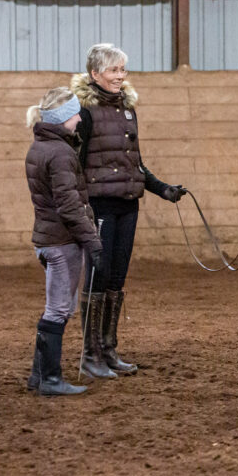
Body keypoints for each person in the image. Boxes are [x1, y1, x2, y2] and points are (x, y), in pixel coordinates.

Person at [71, 44, 187, 379]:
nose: (120, 76)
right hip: (99, 205)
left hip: (127, 204)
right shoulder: (85, 111)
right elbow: (74, 164)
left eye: (123, 70)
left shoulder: (127, 109)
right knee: (98, 275)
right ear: (95, 73)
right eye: (113, 70)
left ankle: (109, 350)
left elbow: (134, 164)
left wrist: (162, 188)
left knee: (117, 277)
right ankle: (89, 355)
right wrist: (80, 208)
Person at [24, 87, 102, 396]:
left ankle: (39, 375)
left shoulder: (42, 147)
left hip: (49, 238)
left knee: (57, 308)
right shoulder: (59, 153)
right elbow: (69, 206)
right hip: (61, 241)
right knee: (57, 310)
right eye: (75, 113)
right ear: (65, 117)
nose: (79, 118)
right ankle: (50, 379)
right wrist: (93, 242)